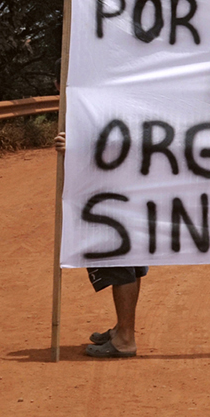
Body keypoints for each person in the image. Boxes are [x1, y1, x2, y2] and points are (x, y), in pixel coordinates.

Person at [54, 131, 146, 358]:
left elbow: (112, 148)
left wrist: (76, 152)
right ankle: (122, 329)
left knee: (120, 264)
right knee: (130, 263)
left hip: (110, 198)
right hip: (130, 193)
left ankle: (125, 339)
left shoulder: (101, 100)